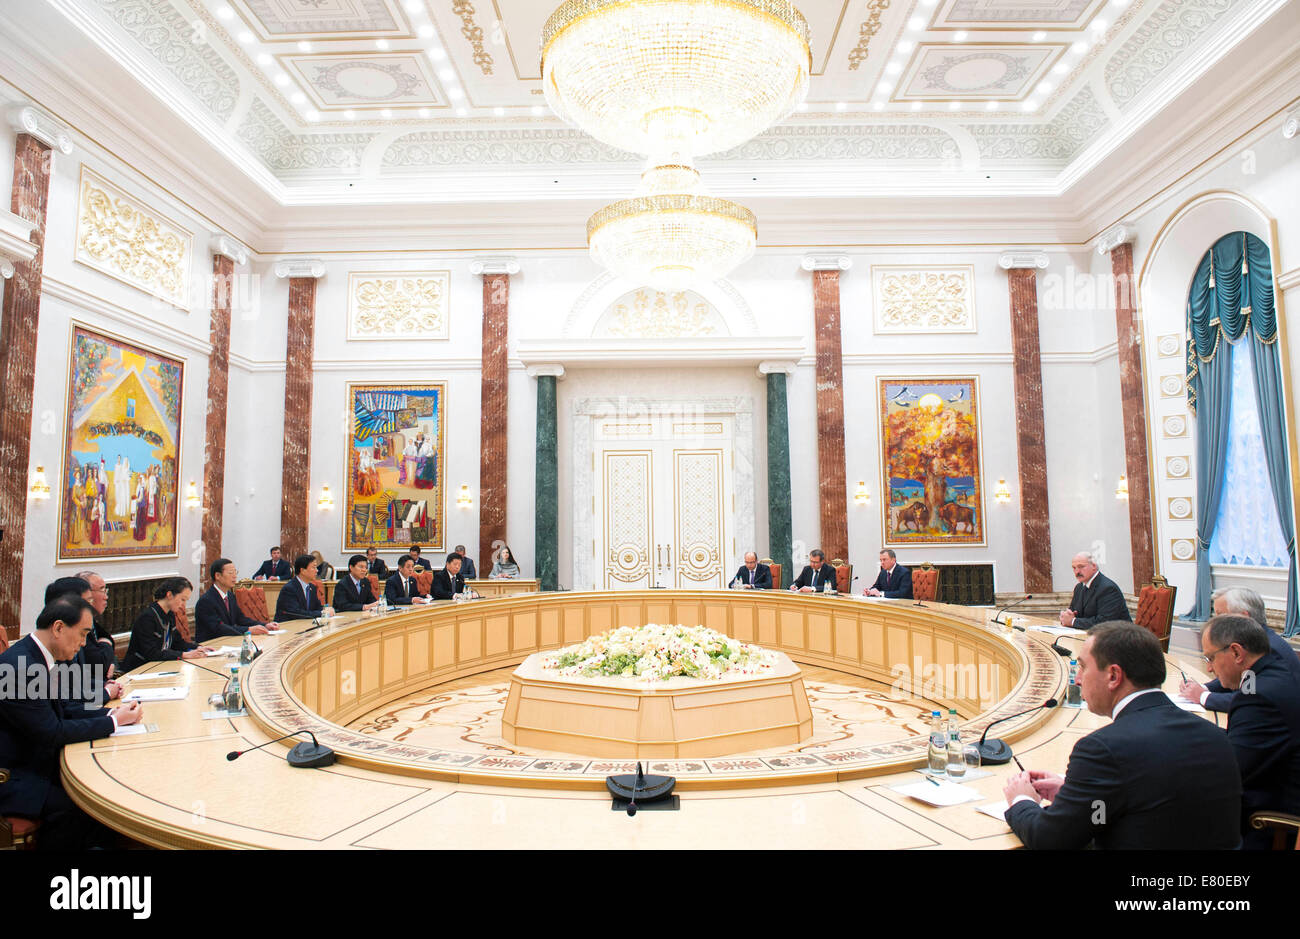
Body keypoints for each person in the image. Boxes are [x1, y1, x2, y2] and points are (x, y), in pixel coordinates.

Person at [1002, 621, 1241, 849]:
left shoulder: (1101, 749)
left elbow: (1050, 839)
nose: (1077, 678)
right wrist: (1073, 793)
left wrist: (1021, 801)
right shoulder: (1216, 735)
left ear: (1114, 676)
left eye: (1083, 667)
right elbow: (1154, 795)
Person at [0, 596, 143, 848]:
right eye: (83, 633)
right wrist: (113, 725)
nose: (84, 643)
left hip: (35, 760)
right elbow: (51, 731)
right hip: (15, 776)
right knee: (91, 806)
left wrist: (112, 715)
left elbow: (64, 708)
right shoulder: (19, 667)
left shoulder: (37, 656)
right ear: (58, 628)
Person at [1200, 614, 1300, 849]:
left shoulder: (1258, 697)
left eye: (1210, 657)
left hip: (1269, 822)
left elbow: (1230, 773)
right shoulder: (1274, 674)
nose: (1208, 667)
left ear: (1236, 652)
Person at [1180, 587, 1300, 711]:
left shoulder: (1266, 649)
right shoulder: (1259, 640)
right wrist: (1203, 688)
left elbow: (1250, 698)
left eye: (1221, 616)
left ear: (1243, 617)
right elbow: (1239, 677)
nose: (1215, 623)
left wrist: (1202, 696)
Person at [122, 577, 207, 672]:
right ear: (170, 595)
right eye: (182, 599)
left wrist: (198, 647)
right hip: (140, 670)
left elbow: (177, 642)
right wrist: (183, 654)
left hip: (160, 667)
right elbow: (151, 653)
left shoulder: (170, 614)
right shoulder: (148, 617)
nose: (183, 604)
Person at [195, 559, 274, 641]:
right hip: (211, 645)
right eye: (230, 573)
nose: (235, 576)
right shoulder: (206, 600)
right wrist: (248, 630)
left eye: (235, 572)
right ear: (217, 576)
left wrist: (265, 625)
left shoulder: (230, 596)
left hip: (228, 641)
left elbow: (240, 619)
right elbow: (218, 628)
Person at [1059, 551, 1130, 628]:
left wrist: (1073, 621)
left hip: (1119, 636)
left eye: (1081, 567)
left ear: (1093, 566)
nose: (1077, 571)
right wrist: (1067, 616)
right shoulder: (1079, 588)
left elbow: (1105, 622)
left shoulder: (1108, 588)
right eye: (1074, 568)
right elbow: (1073, 613)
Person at [275, 555, 325, 621]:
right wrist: (321, 613)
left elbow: (317, 607)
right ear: (302, 570)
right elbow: (296, 613)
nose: (317, 571)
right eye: (314, 567)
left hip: (305, 624)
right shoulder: (289, 589)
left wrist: (325, 610)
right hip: (288, 626)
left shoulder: (312, 587)